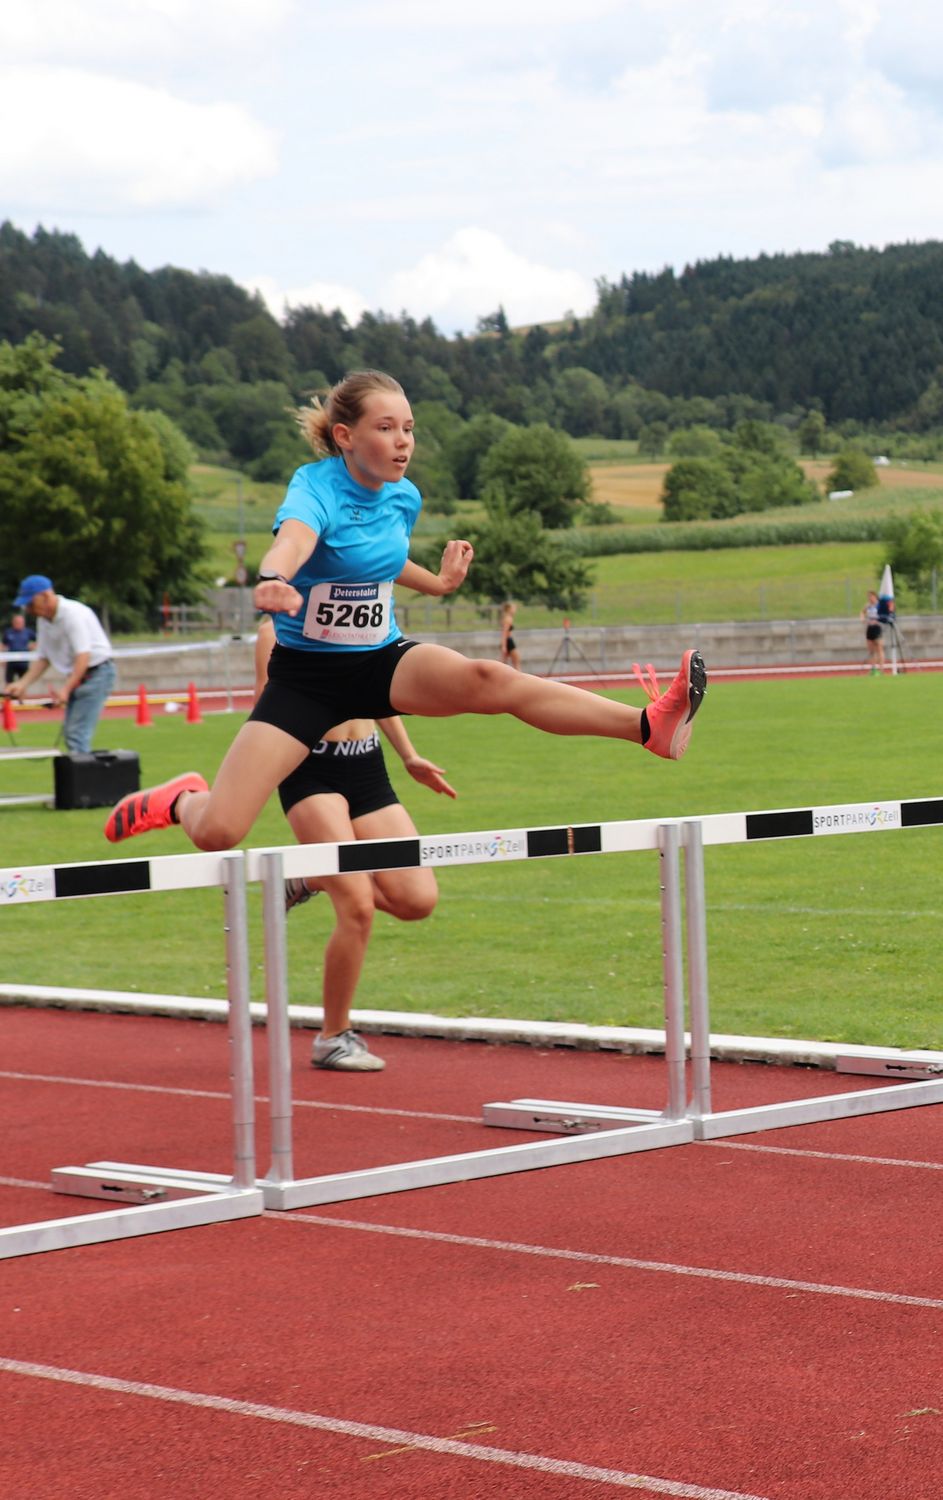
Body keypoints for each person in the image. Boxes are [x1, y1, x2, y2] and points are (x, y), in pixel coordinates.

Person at [104, 369, 706, 853]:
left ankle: (648, 727)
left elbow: (377, 561)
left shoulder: (403, 496)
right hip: (307, 680)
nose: (403, 442)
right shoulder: (313, 488)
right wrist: (273, 577)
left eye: (409, 429)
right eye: (387, 428)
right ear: (345, 437)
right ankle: (181, 797)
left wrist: (438, 584)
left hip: (380, 661)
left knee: (489, 678)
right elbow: (295, 540)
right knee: (219, 833)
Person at [254, 614, 454, 1072]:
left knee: (416, 899)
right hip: (309, 771)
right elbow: (265, 710)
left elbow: (377, 686)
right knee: (358, 905)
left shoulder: (363, 611)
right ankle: (333, 1037)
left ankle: (312, 877)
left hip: (365, 766)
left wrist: (409, 755)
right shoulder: (275, 632)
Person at [6, 575, 116, 753]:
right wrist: (21, 684)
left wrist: (65, 689)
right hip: (81, 676)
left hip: (97, 674)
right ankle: (81, 776)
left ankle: (84, 779)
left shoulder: (72, 615)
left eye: (30, 603)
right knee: (73, 734)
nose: (28, 609)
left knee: (76, 735)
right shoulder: (44, 620)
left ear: (46, 596)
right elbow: (43, 657)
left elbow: (83, 655)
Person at [2, 612, 35, 685]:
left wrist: (33, 646)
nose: (20, 624)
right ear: (13, 623)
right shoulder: (8, 632)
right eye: (18, 622)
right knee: (9, 683)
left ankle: (22, 696)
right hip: (11, 663)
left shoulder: (28, 632)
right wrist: (3, 658)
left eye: (22, 622)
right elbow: (3, 645)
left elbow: (38, 640)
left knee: (23, 684)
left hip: (23, 663)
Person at [861, 589, 886, 675]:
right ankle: (873, 668)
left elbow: (884, 615)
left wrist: (878, 620)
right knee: (871, 650)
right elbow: (862, 612)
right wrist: (863, 618)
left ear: (875, 596)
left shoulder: (879, 605)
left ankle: (881, 669)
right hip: (870, 628)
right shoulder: (867, 606)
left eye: (871, 596)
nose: (869, 598)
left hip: (877, 628)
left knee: (879, 648)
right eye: (868, 596)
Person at [500, 601, 521, 670]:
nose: (515, 610)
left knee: (504, 663)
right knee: (516, 660)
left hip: (508, 641)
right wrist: (504, 646)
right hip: (508, 641)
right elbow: (504, 633)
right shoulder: (508, 619)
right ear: (509, 609)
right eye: (513, 608)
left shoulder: (508, 618)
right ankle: (519, 677)